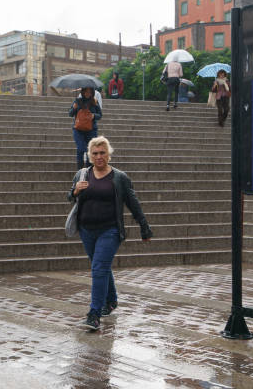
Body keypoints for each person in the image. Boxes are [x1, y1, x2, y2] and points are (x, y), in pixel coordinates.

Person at [67, 136, 153, 330]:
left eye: (102, 153)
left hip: (110, 230)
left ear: (109, 154)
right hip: (87, 230)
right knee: (101, 267)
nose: (99, 157)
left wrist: (144, 226)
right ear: (89, 156)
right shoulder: (82, 174)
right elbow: (69, 197)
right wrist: (75, 192)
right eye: (95, 153)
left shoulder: (119, 177)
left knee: (98, 268)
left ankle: (94, 315)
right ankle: (111, 300)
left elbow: (133, 203)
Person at [69, 87, 102, 169]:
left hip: (91, 130)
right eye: (86, 91)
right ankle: (79, 171)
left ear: (92, 93)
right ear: (83, 92)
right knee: (80, 149)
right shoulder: (78, 101)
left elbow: (100, 115)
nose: (88, 93)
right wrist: (74, 108)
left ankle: (88, 170)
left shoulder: (94, 102)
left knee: (90, 151)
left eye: (90, 92)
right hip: (78, 129)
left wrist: (94, 116)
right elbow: (70, 114)